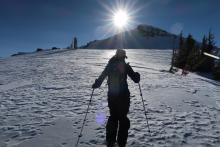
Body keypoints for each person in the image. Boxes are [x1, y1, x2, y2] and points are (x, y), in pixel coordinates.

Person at [92, 49, 140, 147]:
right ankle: (121, 143)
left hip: (112, 96)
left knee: (113, 117)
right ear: (123, 57)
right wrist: (137, 75)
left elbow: (101, 78)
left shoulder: (109, 66)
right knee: (123, 118)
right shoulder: (126, 66)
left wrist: (96, 84)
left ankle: (110, 142)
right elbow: (135, 79)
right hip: (124, 96)